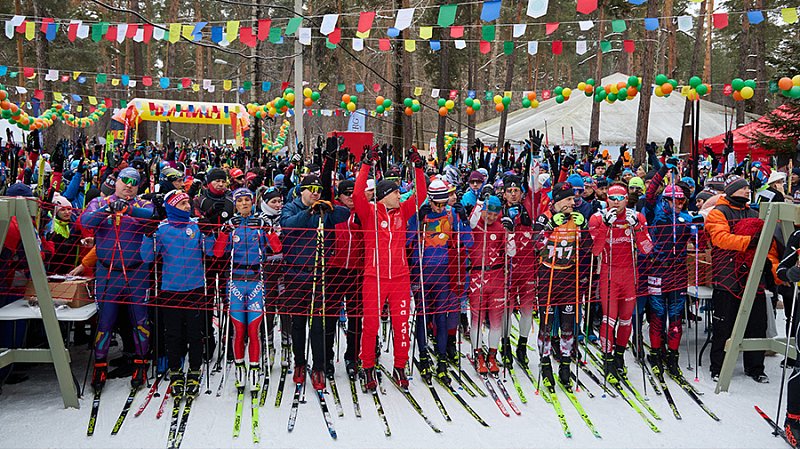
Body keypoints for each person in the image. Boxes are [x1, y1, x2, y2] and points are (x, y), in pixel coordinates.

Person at [353, 146, 427, 390]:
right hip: (374, 277)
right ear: (383, 195)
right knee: (371, 324)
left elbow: (420, 195)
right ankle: (367, 367)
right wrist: (365, 165)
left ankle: (400, 365)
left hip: (400, 278)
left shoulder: (402, 212)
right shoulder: (370, 212)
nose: (399, 195)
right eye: (395, 192)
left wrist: (418, 169)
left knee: (401, 324)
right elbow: (356, 196)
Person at [80, 167, 154, 391]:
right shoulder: (101, 202)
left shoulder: (142, 204)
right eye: (125, 181)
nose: (129, 185)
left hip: (136, 272)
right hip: (107, 273)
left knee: (139, 321)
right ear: (117, 182)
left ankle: (140, 364)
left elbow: (151, 217)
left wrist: (128, 208)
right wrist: (108, 208)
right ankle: (100, 365)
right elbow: (86, 221)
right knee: (106, 321)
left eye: (134, 182)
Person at [705, 175, 778, 383]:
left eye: (748, 188)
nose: (747, 191)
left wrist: (771, 266)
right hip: (727, 278)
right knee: (724, 326)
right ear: (731, 191)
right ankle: (718, 366)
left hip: (753, 278)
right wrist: (750, 241)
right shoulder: (717, 213)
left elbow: (769, 246)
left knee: (757, 325)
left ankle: (755, 367)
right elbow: (720, 239)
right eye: (742, 188)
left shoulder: (753, 212)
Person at [281, 174, 350, 391]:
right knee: (298, 322)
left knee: (318, 323)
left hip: (319, 274)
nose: (315, 193)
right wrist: (309, 212)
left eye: (318, 189)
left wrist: (330, 206)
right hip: (296, 273)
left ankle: (318, 366)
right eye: (310, 189)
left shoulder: (323, 208)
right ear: (301, 190)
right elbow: (288, 225)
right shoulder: (292, 207)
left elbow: (345, 214)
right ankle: (300, 363)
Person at [141, 190, 209, 397]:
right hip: (170, 289)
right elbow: (146, 257)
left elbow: (212, 251)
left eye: (188, 203)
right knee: (173, 333)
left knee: (195, 333)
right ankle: (175, 369)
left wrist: (210, 233)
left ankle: (195, 368)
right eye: (182, 204)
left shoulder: (195, 226)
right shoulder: (162, 229)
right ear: (171, 207)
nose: (187, 206)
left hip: (195, 287)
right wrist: (147, 236)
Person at [212, 188, 278, 392]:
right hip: (236, 282)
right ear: (235, 204)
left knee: (254, 330)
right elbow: (217, 252)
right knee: (239, 330)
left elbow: (277, 248)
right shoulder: (231, 224)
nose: (244, 204)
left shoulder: (260, 223)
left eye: (247, 200)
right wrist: (224, 232)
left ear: (253, 202)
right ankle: (240, 366)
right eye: (239, 201)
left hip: (256, 280)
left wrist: (268, 230)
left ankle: (255, 368)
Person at [408, 179, 473, 382]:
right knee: (423, 316)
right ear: (429, 199)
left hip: (445, 274)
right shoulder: (422, 214)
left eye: (444, 203)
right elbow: (407, 239)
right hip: (422, 273)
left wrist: (463, 220)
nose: (440, 207)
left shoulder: (451, 214)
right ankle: (424, 356)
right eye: (437, 203)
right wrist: (417, 222)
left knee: (442, 318)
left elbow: (468, 241)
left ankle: (442, 358)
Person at [588, 183, 653, 381]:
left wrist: (638, 227)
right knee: (609, 318)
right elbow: (595, 250)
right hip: (609, 274)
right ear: (607, 199)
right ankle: (607, 359)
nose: (616, 202)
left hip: (630, 276)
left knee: (626, 320)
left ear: (627, 199)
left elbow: (647, 249)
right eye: (612, 198)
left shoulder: (636, 217)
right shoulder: (598, 218)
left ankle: (619, 357)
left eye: (620, 198)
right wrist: (606, 226)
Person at [533, 182, 589, 386]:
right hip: (548, 276)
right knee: (546, 325)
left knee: (568, 324)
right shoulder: (544, 218)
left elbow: (588, 246)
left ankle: (565, 363)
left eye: (573, 199)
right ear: (557, 201)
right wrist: (549, 228)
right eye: (568, 199)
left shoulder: (576, 218)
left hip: (568, 277)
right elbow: (536, 245)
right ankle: (545, 362)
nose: (573, 203)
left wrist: (584, 227)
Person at [642, 158, 694, 376]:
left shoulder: (685, 216)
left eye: (681, 201)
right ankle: (655, 353)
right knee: (657, 314)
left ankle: (673, 357)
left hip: (678, 272)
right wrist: (664, 169)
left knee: (675, 317)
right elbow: (650, 193)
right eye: (674, 200)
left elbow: (699, 239)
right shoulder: (656, 211)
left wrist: (697, 231)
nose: (678, 204)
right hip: (657, 270)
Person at [467, 193, 515, 374]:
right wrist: (480, 201)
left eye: (495, 214)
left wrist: (510, 233)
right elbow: (472, 221)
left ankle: (492, 355)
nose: (491, 217)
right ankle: (478, 354)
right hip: (477, 277)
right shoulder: (475, 224)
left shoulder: (500, 227)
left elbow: (511, 253)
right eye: (488, 213)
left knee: (496, 321)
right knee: (477, 319)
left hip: (497, 277)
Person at [328, 179, 364, 376]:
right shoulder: (334, 211)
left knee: (356, 318)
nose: (350, 196)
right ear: (339, 195)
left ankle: (352, 356)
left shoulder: (362, 212)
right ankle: (327, 357)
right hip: (335, 270)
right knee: (331, 316)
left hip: (357, 271)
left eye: (353, 192)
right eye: (346, 193)